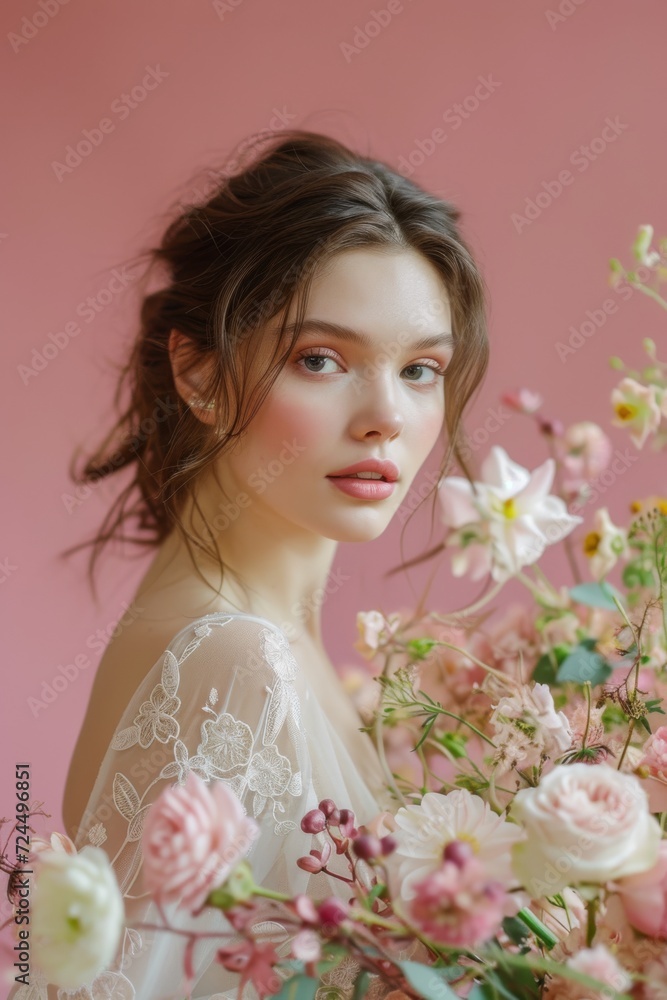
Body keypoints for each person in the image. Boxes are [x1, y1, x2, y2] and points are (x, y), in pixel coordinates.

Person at [20, 129, 489, 999]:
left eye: (421, 369)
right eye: (321, 360)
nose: (386, 414)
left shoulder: (269, 643)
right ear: (198, 373)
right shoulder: (236, 660)